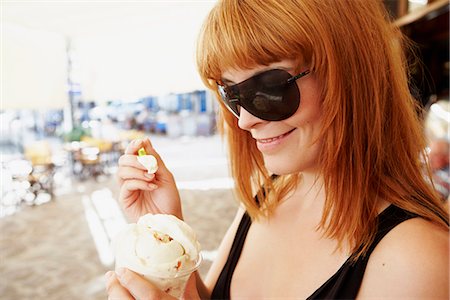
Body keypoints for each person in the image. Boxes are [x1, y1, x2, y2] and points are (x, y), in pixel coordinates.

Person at [105, 0, 449, 299]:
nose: (244, 120)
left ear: (350, 73)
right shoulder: (268, 194)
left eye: (269, 88)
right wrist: (167, 230)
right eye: (231, 94)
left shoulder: (418, 261)